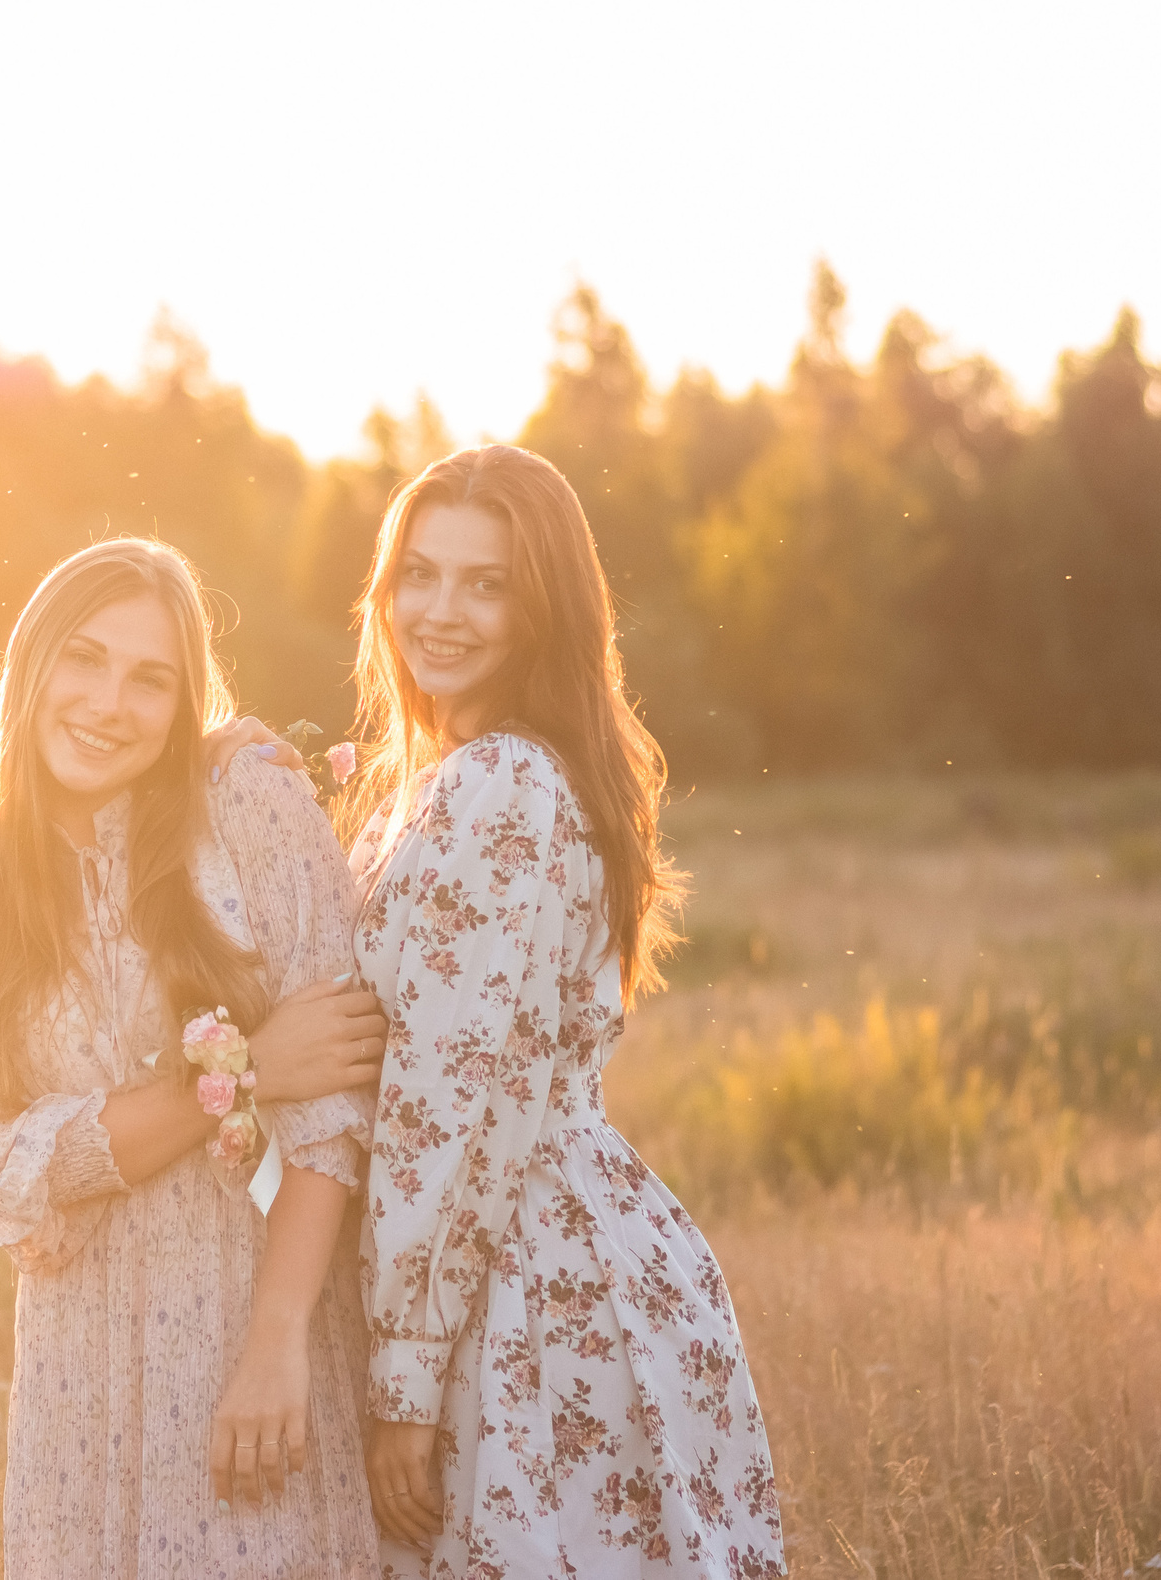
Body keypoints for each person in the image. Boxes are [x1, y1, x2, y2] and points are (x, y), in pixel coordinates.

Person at [0, 537, 385, 1578]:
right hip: (79, 1390)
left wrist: (278, 1339)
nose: (109, 703)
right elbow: (16, 1173)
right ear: (30, 668)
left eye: (149, 679)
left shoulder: (250, 812)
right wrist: (243, 1072)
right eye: (84, 659)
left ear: (182, 705)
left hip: (261, 1345)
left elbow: (334, 1101)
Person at [342, 446, 785, 1576]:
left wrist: (405, 1374)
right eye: (419, 575)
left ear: (547, 606)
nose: (438, 613)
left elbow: (452, 1100)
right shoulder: (461, 776)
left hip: (513, 1277)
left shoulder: (500, 784)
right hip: (548, 1249)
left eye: (486, 584)